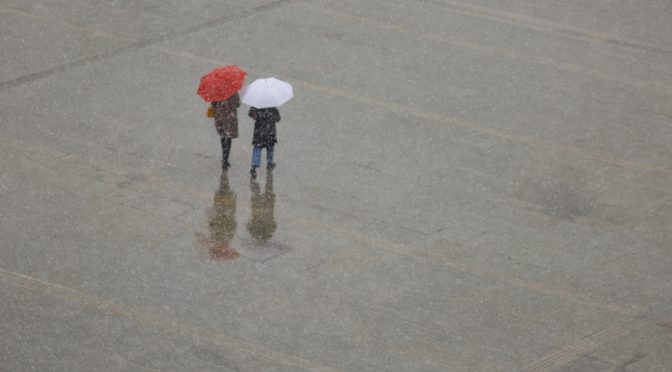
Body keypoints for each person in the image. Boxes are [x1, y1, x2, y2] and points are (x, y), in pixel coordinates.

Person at [209, 92, 240, 170]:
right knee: (228, 137)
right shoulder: (233, 91)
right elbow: (238, 104)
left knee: (223, 135)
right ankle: (225, 159)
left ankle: (224, 157)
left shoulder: (217, 91)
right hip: (230, 117)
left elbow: (213, 104)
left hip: (220, 116)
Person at [248, 106, 280, 178]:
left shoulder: (256, 104)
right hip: (270, 130)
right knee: (270, 147)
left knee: (257, 148)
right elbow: (278, 118)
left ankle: (254, 166)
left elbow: (250, 113)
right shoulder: (272, 105)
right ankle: (269, 163)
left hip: (259, 130)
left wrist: (255, 115)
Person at [246, 169, 277, 245]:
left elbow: (273, 225)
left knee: (263, 191)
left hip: (263, 210)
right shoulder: (266, 233)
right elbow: (249, 224)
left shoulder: (265, 233)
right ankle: (255, 180)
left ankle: (254, 180)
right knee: (265, 190)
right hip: (263, 210)